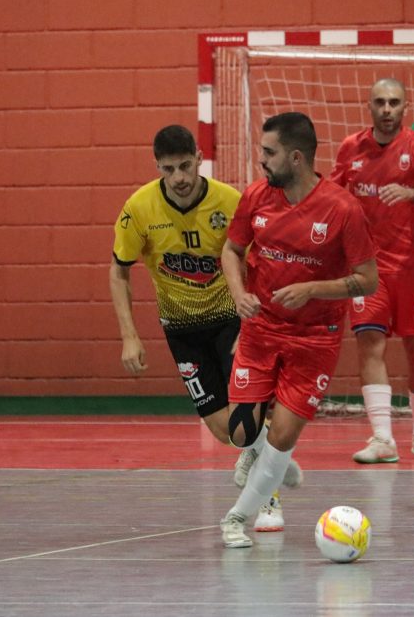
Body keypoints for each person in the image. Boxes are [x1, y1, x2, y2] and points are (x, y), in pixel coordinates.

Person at [109, 124, 300, 533]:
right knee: (225, 431)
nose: (179, 177)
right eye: (168, 169)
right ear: (157, 167)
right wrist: (129, 335)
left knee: (246, 413)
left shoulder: (229, 201)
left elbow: (259, 260)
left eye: (185, 166)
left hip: (231, 320)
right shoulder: (138, 209)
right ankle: (267, 453)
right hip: (181, 329)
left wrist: (260, 316)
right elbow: (119, 271)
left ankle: (268, 500)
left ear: (198, 158)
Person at [218, 112, 378, 548]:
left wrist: (313, 289)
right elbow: (231, 251)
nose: (261, 160)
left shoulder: (342, 209)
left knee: (283, 434)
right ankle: (272, 462)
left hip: (315, 337)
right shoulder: (256, 196)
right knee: (241, 432)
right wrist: (238, 294)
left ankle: (236, 519)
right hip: (260, 328)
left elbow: (368, 280)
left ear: (295, 157)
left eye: (269, 153)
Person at [331, 79, 414, 464]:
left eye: (394, 102)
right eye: (379, 102)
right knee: (369, 343)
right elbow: (333, 194)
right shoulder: (351, 147)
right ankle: (382, 438)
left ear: (404, 107)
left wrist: (410, 193)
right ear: (369, 105)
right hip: (368, 269)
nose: (386, 109)